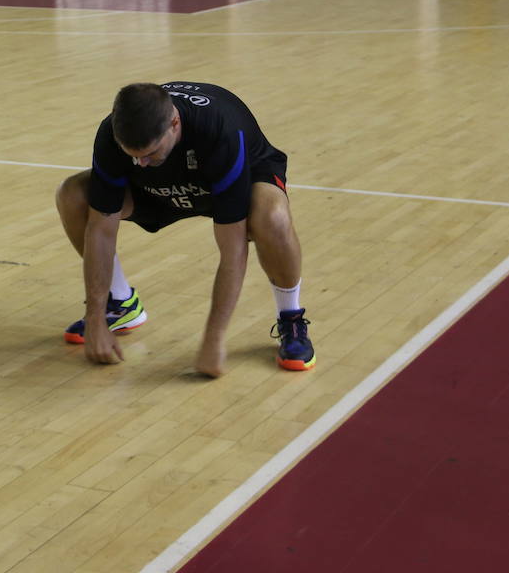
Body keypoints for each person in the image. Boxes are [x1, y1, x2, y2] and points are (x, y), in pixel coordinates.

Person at [54, 81, 314, 377]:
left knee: (273, 215)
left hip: (225, 183)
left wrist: (214, 339)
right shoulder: (113, 135)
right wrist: (95, 317)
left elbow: (233, 252)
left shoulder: (219, 130)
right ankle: (120, 304)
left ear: (174, 124)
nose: (140, 163)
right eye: (132, 156)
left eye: (149, 153)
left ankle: (290, 317)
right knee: (72, 194)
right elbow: (100, 230)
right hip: (157, 189)